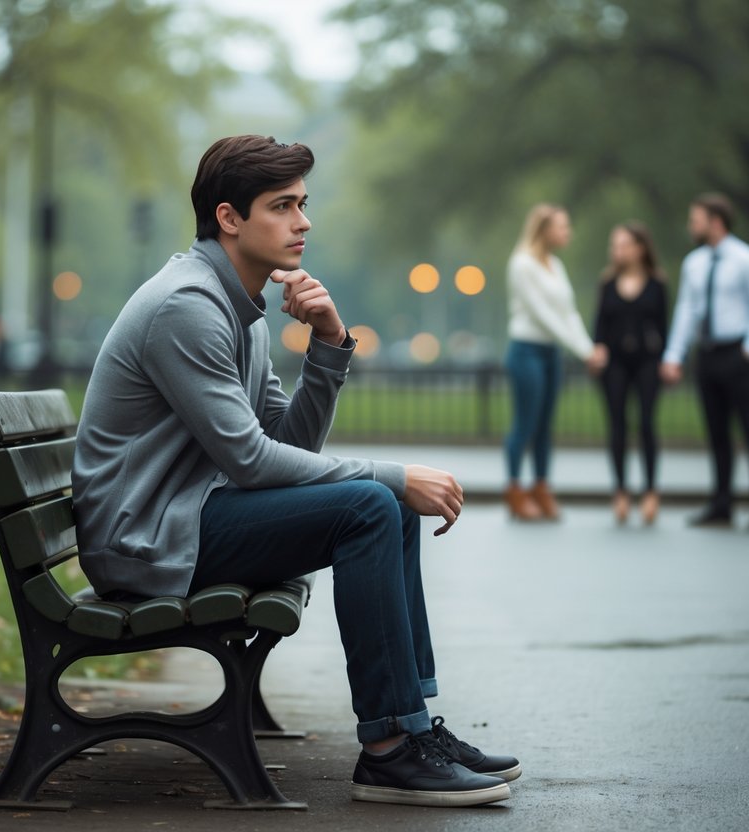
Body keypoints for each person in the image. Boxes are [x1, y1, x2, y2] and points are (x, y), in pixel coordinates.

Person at [72, 135, 518, 808]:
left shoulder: (240, 307)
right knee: (372, 501)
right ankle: (391, 751)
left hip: (186, 519)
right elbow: (251, 462)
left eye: (302, 204)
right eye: (283, 206)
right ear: (229, 218)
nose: (303, 222)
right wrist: (393, 475)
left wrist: (330, 344)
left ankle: (412, 727)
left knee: (379, 503)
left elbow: (288, 445)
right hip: (147, 541)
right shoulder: (187, 307)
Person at [661, 194, 749, 530]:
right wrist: (674, 355)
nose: (690, 226)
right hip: (708, 353)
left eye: (695, 219)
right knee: (716, 432)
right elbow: (686, 311)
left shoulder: (747, 260)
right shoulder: (694, 264)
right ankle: (722, 503)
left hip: (738, 352)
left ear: (716, 221)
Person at [502, 203, 606, 521]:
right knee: (525, 422)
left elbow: (568, 313)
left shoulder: (555, 266)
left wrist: (588, 348)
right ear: (544, 229)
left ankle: (542, 487)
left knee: (546, 425)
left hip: (550, 353)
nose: (567, 232)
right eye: (562, 226)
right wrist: (583, 352)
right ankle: (515, 490)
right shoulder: (521, 264)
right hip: (526, 350)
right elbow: (542, 315)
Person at [591, 222, 669, 525]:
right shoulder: (607, 283)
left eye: (623, 244)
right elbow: (599, 325)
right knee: (617, 424)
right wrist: (597, 351)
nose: (617, 251)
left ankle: (650, 491)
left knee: (647, 423)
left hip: (647, 361)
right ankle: (620, 491)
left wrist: (666, 359)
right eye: (614, 245)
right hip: (615, 363)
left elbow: (664, 325)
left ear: (640, 248)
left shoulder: (657, 283)